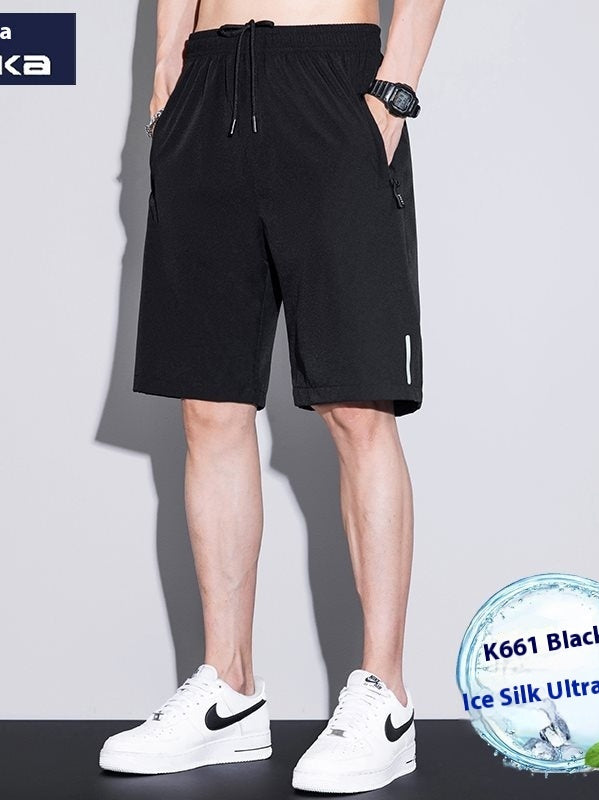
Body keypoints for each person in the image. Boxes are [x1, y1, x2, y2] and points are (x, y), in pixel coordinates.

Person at [100, 0, 445, 792]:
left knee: (358, 406)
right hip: (207, 82)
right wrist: (168, 63)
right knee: (208, 405)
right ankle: (229, 692)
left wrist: (394, 91)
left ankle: (386, 699)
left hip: (333, 79)